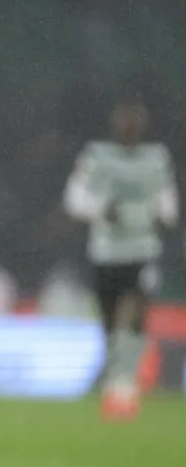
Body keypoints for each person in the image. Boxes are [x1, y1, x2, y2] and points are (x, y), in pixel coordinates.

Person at [64, 99, 179, 420]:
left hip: (142, 250)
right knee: (110, 318)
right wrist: (101, 209)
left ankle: (125, 382)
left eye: (135, 122)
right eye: (125, 122)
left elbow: (167, 201)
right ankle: (115, 376)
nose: (129, 128)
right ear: (115, 126)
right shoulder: (96, 156)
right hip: (106, 251)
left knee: (135, 313)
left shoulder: (156, 159)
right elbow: (75, 200)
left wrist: (164, 215)